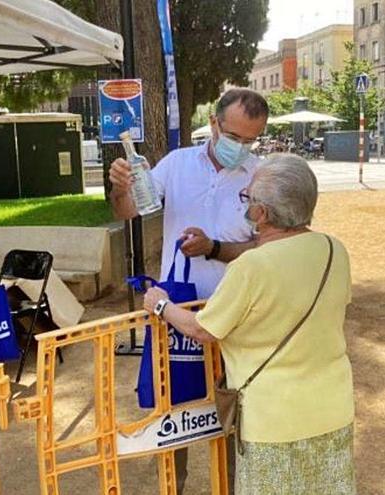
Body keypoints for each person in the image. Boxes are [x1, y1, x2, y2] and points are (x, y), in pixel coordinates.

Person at [143, 154, 356, 495]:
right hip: (333, 407)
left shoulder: (251, 267)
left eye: (248, 198)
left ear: (262, 213)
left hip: (272, 418)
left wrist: (161, 304)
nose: (246, 203)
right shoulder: (334, 249)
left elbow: (203, 329)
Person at [109, 88, 269, 493]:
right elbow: (130, 210)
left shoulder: (260, 175)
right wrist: (121, 187)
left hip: (235, 314)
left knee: (233, 408)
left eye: (251, 140)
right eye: (235, 137)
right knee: (176, 409)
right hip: (175, 312)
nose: (242, 148)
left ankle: (232, 485)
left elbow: (267, 248)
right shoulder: (178, 164)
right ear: (214, 124)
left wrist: (214, 248)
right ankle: (174, 484)